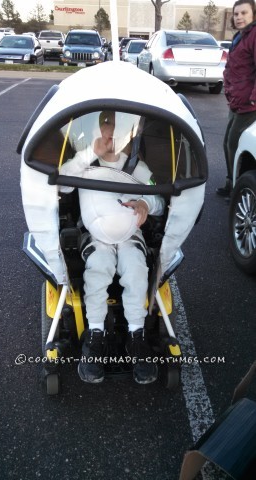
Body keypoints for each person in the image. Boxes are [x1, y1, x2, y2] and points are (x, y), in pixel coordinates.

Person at [60, 111, 165, 384]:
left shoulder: (136, 167)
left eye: (119, 125)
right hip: (96, 236)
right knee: (98, 267)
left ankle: (136, 336)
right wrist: (85, 154)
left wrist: (146, 204)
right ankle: (95, 335)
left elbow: (160, 200)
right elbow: (62, 186)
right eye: (106, 122)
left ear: (130, 132)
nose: (112, 130)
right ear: (95, 126)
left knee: (135, 269)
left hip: (130, 235)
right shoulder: (83, 162)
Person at [216, 0, 256, 197]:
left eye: (244, 13)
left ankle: (238, 188)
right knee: (227, 143)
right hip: (236, 101)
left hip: (249, 103)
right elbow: (233, 66)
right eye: (236, 13)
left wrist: (254, 99)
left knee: (234, 143)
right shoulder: (239, 37)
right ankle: (231, 182)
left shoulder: (254, 35)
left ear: (253, 14)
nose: (239, 17)